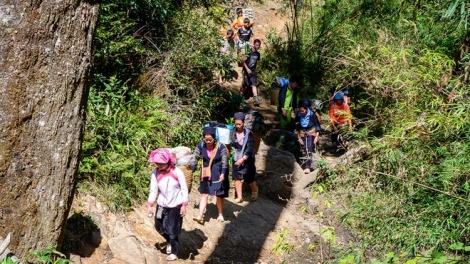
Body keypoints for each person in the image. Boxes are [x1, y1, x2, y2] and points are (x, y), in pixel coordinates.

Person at [147, 148, 188, 261]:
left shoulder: (177, 172)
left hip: (175, 205)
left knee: (172, 229)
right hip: (161, 205)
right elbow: (153, 190)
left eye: (162, 163)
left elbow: (184, 189)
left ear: (168, 161)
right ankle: (170, 242)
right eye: (157, 163)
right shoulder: (155, 173)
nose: (159, 165)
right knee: (158, 226)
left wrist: (184, 205)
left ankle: (174, 252)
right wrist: (150, 204)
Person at [190, 127, 230, 224]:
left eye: (210, 140)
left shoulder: (221, 147)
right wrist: (192, 168)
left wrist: (223, 173)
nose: (208, 142)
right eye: (206, 140)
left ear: (214, 138)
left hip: (218, 172)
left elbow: (225, 161)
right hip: (205, 172)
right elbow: (195, 156)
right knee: (204, 193)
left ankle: (220, 214)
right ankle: (200, 215)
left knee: (219, 194)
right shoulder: (201, 145)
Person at [230, 112, 258, 203]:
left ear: (243, 123)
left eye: (240, 124)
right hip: (236, 156)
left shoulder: (248, 134)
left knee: (248, 177)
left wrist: (243, 158)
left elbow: (250, 147)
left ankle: (254, 189)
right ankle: (240, 197)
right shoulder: (232, 132)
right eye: (236, 124)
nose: (238, 126)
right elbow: (231, 144)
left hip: (247, 157)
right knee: (236, 177)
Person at [294, 99, 322, 173]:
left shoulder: (312, 115)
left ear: (306, 109)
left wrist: (316, 137)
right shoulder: (298, 115)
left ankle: (307, 167)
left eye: (303, 111)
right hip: (302, 132)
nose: (301, 112)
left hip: (311, 132)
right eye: (300, 111)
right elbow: (296, 127)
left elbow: (317, 126)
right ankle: (303, 164)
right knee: (303, 148)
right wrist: (298, 138)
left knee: (308, 148)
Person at [241, 39, 261, 106]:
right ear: (254, 44)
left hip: (252, 71)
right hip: (246, 71)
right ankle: (241, 95)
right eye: (257, 45)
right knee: (245, 85)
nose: (258, 46)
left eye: (259, 45)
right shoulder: (248, 52)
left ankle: (256, 100)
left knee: (254, 84)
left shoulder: (258, 54)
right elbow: (243, 62)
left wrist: (254, 71)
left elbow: (255, 63)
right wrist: (247, 69)